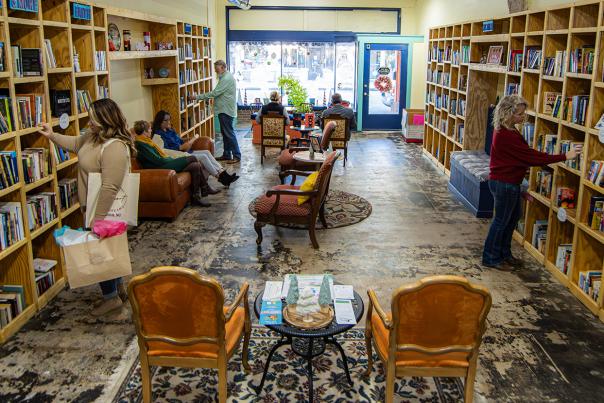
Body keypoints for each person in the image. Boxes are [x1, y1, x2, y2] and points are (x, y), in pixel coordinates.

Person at [38, 98, 135, 316]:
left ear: (104, 119)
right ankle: (117, 290)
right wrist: (51, 135)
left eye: (92, 117)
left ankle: (111, 299)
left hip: (105, 210)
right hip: (91, 207)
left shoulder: (115, 147)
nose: (88, 121)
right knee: (107, 250)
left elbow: (110, 186)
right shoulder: (92, 138)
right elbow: (73, 144)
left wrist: (97, 221)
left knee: (99, 252)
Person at [482, 95, 582, 269]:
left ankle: (504, 255)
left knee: (511, 219)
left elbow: (513, 160)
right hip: (504, 184)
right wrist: (565, 156)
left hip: (508, 183)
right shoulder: (507, 135)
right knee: (501, 222)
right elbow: (531, 157)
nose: (523, 117)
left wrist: (520, 188)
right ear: (508, 114)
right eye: (520, 114)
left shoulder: (508, 130)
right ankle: (491, 258)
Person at [133, 120, 219, 207]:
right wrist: (171, 159)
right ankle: (205, 188)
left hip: (164, 163)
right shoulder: (140, 144)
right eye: (150, 129)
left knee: (195, 166)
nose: (151, 131)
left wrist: (169, 159)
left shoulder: (146, 141)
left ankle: (195, 198)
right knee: (193, 158)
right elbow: (157, 160)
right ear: (144, 131)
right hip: (160, 167)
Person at [151, 111, 239, 187]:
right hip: (178, 155)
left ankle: (224, 174)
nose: (168, 122)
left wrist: (187, 144)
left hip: (186, 151)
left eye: (169, 119)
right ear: (159, 122)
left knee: (206, 152)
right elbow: (167, 150)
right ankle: (221, 178)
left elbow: (180, 141)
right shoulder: (158, 135)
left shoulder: (170, 130)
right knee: (203, 156)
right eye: (165, 120)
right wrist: (184, 145)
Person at [194, 60, 240, 163]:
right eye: (215, 69)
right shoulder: (224, 77)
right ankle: (227, 154)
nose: (215, 70)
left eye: (217, 68)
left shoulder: (226, 78)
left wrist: (197, 97)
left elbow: (215, 93)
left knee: (229, 133)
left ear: (223, 67)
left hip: (225, 110)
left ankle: (237, 155)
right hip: (224, 109)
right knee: (226, 133)